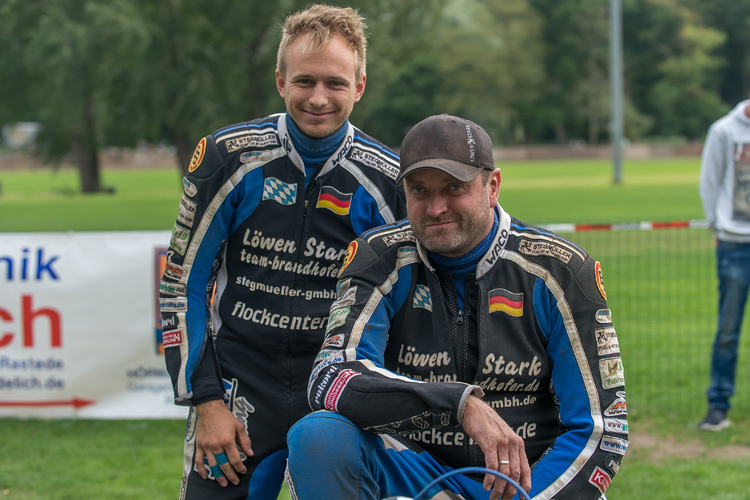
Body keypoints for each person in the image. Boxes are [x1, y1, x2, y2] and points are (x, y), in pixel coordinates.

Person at [286, 114, 628, 500]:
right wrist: (459, 404)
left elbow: (602, 428)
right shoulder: (377, 258)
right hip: (414, 473)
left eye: (454, 188)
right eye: (419, 190)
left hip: (524, 487)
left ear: (493, 185)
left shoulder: (561, 270)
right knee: (319, 436)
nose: (435, 208)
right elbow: (331, 377)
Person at [159, 4, 406, 499]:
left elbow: (402, 306)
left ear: (359, 87)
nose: (318, 98)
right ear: (280, 81)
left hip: (336, 391)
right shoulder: (228, 158)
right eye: (304, 81)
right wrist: (205, 402)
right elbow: (179, 283)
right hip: (238, 389)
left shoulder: (388, 179)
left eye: (335, 83)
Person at [698, 98, 750, 431]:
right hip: (734, 244)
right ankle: (718, 405)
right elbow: (710, 181)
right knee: (728, 331)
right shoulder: (723, 130)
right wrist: (717, 228)